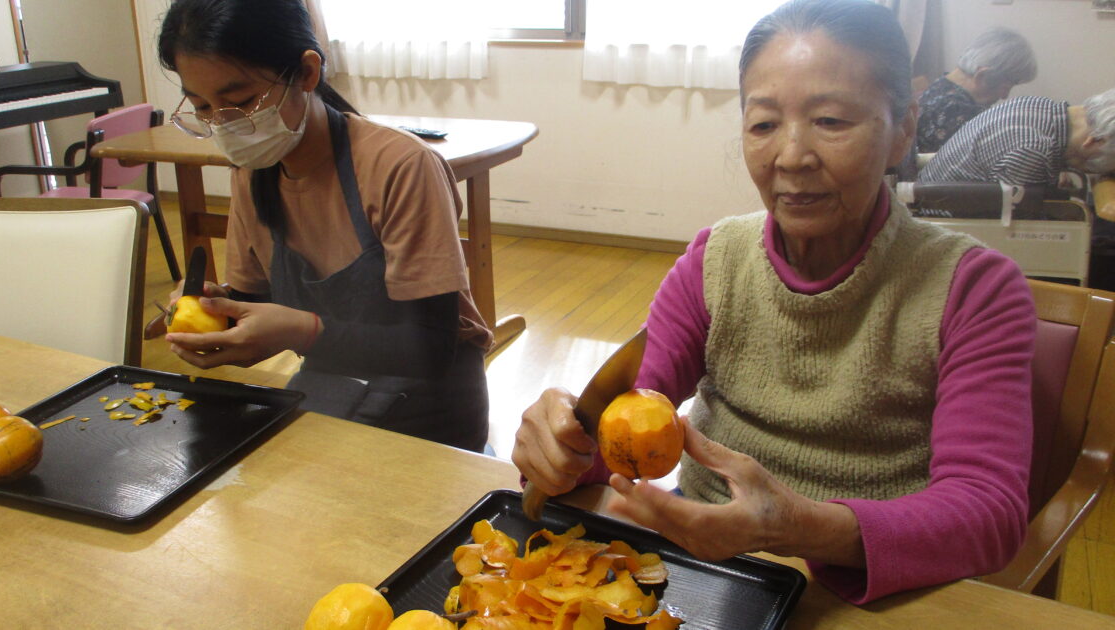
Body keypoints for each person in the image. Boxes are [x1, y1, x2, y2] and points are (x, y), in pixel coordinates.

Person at [513, 0, 1036, 604]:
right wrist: (562, 449)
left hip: (868, 589)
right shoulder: (717, 261)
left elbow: (987, 514)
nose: (791, 155)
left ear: (904, 128)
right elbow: (626, 428)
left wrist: (802, 528)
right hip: (705, 573)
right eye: (763, 124)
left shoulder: (973, 288)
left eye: (831, 121)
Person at [157, 0, 493, 452]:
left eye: (239, 102)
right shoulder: (253, 172)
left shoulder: (400, 166)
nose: (225, 125)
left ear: (308, 72)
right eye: (202, 107)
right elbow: (254, 299)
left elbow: (431, 350)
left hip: (433, 402)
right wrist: (218, 310)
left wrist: (301, 331)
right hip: (334, 376)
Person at [918, 89, 1115, 187]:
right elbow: (1017, 223)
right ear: (1096, 140)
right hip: (943, 217)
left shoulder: (1039, 105)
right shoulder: (1032, 149)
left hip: (931, 190)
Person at [916, 27, 1037, 154]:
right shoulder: (958, 110)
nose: (1004, 96)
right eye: (1005, 88)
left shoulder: (941, 85)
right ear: (982, 76)